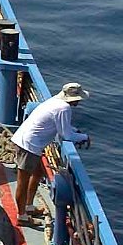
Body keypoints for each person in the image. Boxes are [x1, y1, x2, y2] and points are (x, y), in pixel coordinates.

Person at [12, 82, 91, 223]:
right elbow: (66, 135)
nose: (79, 101)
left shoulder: (55, 101)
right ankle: (21, 217)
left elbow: (63, 126)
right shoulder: (64, 108)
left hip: (27, 141)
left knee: (37, 174)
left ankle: (29, 207)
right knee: (22, 183)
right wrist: (84, 137)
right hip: (28, 146)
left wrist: (75, 131)